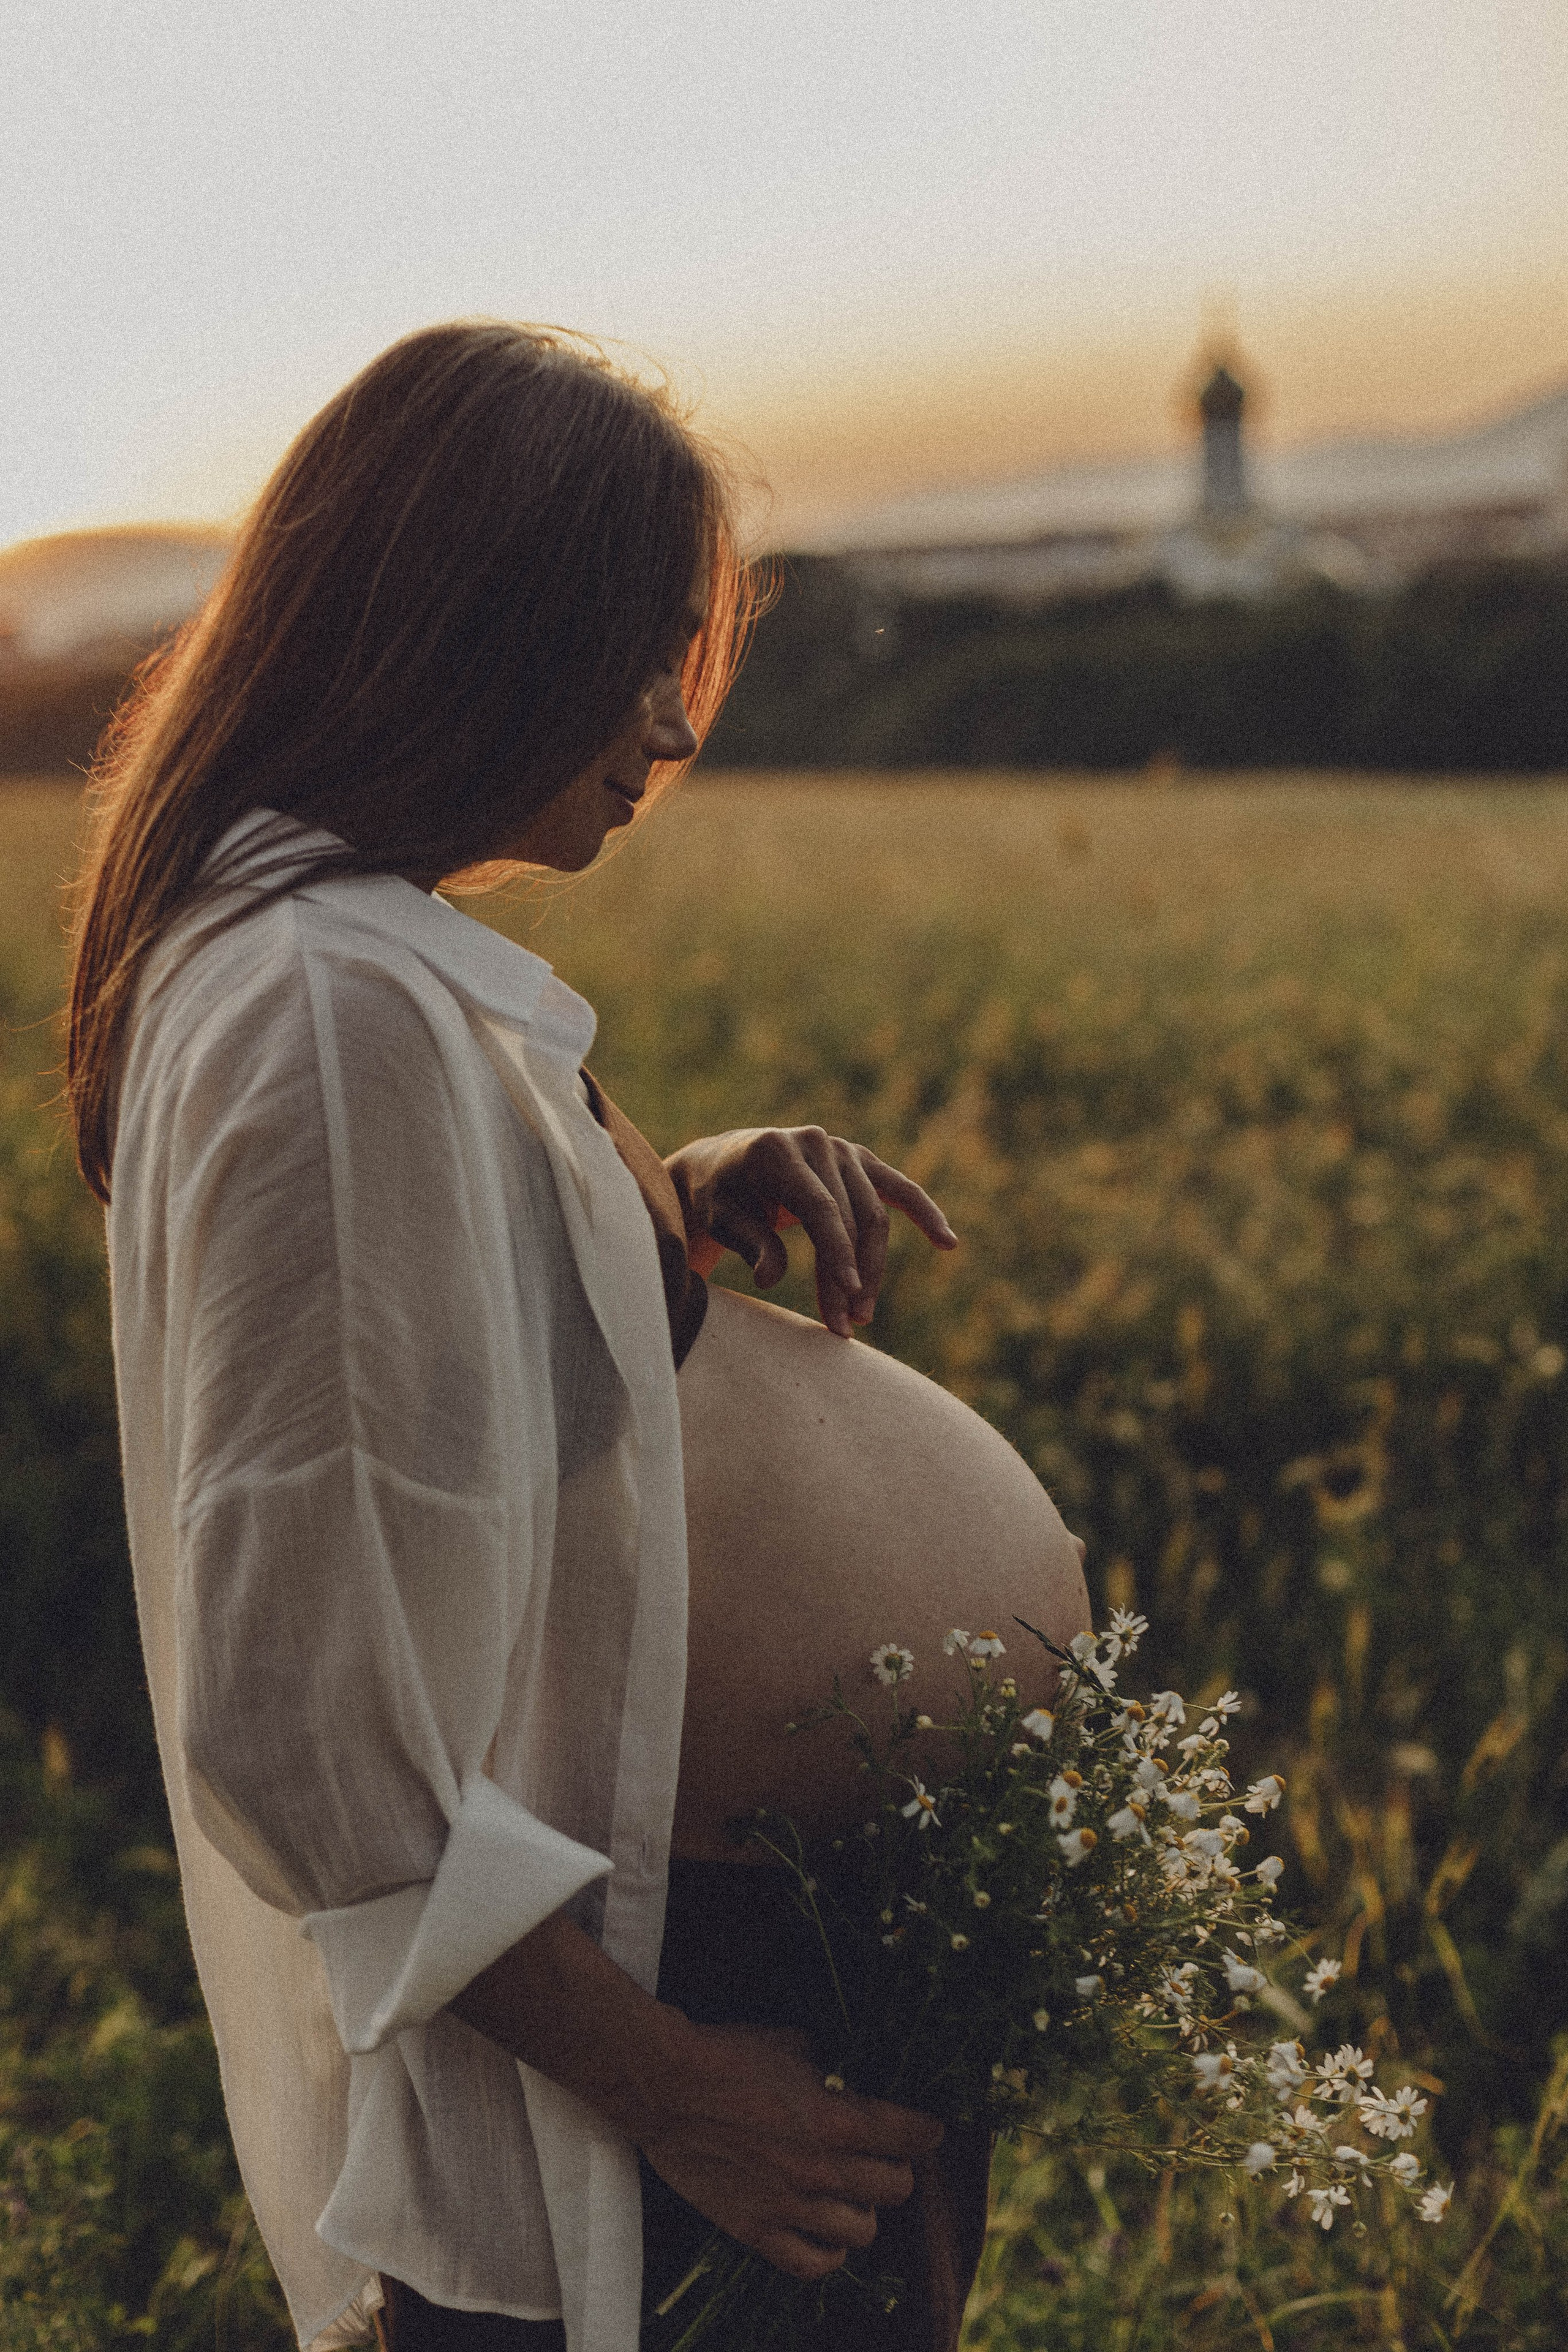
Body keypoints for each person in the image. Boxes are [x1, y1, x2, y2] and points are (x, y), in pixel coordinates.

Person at [69, 322, 1088, 2352]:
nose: (672, 724)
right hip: (653, 2018)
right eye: (626, 656)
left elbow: (442, 1378)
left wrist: (655, 1211)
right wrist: (680, 2090)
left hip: (709, 1960)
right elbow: (298, 1732)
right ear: (460, 622)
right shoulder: (325, 1009)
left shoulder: (328, 965)